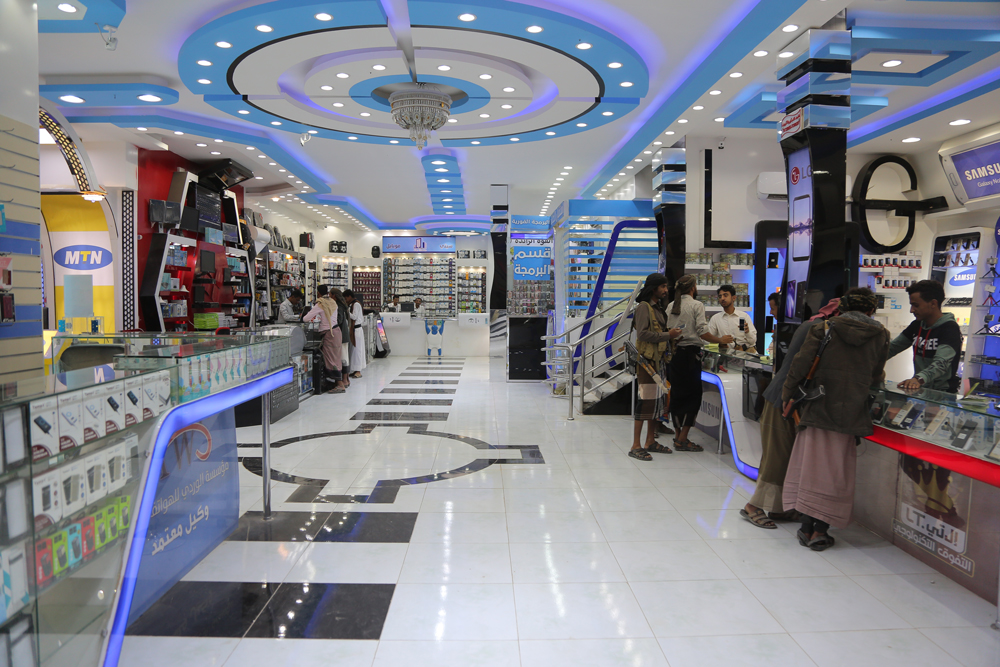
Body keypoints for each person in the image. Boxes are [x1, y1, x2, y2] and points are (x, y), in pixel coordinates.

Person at [781, 287, 889, 550]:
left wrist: (787, 395)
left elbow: (800, 365)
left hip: (818, 407)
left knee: (810, 468)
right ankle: (821, 530)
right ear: (871, 310)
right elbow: (877, 375)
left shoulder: (825, 328)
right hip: (851, 413)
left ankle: (807, 528)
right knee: (835, 472)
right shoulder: (881, 335)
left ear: (843, 307)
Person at [741, 297, 839, 529]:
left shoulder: (815, 327)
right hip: (783, 400)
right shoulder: (815, 328)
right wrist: (788, 398)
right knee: (776, 457)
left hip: (792, 400)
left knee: (785, 456)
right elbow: (798, 368)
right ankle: (753, 506)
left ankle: (780, 507)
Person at [666, 275, 734, 451]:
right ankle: (683, 439)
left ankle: (677, 434)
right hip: (690, 356)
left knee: (677, 395)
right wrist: (720, 340)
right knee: (693, 396)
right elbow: (703, 332)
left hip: (674, 355)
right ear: (693, 288)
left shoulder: (671, 306)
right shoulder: (697, 305)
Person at [629, 273, 683, 461]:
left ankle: (650, 440)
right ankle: (636, 445)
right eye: (663, 287)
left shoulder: (657, 308)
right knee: (645, 403)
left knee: (656, 405)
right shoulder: (644, 308)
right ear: (654, 288)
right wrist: (669, 335)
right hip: (647, 364)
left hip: (658, 362)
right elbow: (643, 334)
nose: (666, 290)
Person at [887, 280, 962, 392]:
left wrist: (918, 379)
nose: (911, 310)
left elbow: (941, 364)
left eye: (916, 305)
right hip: (921, 391)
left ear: (933, 303)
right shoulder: (916, 325)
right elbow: (892, 348)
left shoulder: (950, 328)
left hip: (943, 394)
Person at [303, 286, 345, 393]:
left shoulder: (321, 304)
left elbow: (305, 319)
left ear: (318, 293)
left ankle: (340, 385)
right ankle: (336, 383)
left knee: (331, 359)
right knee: (336, 358)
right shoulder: (333, 303)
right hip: (336, 332)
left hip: (329, 334)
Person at [709, 284, 757, 352]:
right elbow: (707, 340)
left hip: (745, 355)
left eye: (725, 295)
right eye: (720, 296)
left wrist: (747, 332)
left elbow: (753, 341)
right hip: (725, 355)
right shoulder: (715, 318)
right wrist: (720, 342)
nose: (722, 298)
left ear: (733, 298)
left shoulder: (744, 316)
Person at [330, 287, 354, 389]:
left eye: (330, 295)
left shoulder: (338, 306)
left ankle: (344, 380)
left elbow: (338, 320)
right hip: (344, 334)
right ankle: (346, 379)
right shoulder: (343, 305)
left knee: (343, 358)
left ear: (334, 296)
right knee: (345, 358)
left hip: (341, 335)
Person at [344, 289, 367, 378]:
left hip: (357, 330)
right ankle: (355, 369)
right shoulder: (352, 304)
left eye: (346, 298)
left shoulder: (356, 304)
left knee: (357, 351)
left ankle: (358, 371)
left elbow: (354, 316)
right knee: (354, 350)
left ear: (349, 296)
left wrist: (347, 311)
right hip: (353, 329)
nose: (346, 300)